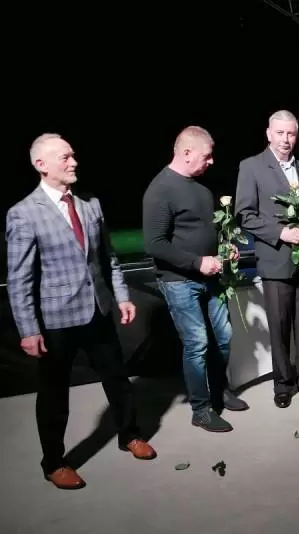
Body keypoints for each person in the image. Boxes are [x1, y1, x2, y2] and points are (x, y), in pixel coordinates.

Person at [5, 133, 156, 490]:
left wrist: (121, 297)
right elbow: (19, 279)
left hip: (98, 311)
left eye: (73, 155)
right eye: (65, 157)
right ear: (41, 165)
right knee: (54, 394)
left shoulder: (91, 204)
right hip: (56, 319)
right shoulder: (24, 213)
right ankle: (54, 462)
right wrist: (28, 329)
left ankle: (130, 435)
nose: (74, 162)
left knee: (118, 380)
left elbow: (108, 258)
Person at [143, 126, 249, 432]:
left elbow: (206, 231)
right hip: (178, 281)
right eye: (207, 156)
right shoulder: (160, 189)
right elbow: (155, 244)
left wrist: (224, 248)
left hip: (210, 277)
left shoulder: (201, 190)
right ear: (187, 153)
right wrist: (197, 262)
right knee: (197, 344)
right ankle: (201, 410)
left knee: (223, 337)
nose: (211, 161)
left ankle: (219, 391)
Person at [235, 110, 299, 408]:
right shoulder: (251, 166)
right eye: (280, 133)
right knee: (279, 326)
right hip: (275, 259)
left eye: (291, 133)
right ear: (268, 134)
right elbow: (244, 215)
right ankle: (283, 384)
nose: (286, 139)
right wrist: (281, 233)